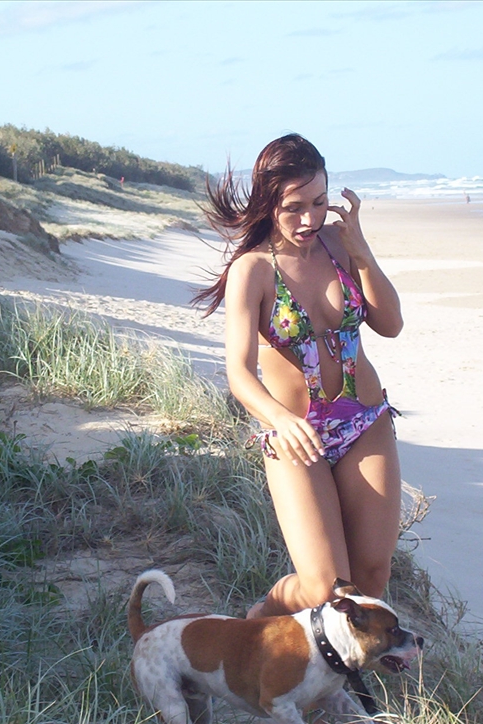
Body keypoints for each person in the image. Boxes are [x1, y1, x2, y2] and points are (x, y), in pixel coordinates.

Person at [194, 134, 403, 621]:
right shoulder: (252, 272)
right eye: (293, 207)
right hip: (294, 434)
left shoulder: (338, 244)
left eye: (319, 203)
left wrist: (362, 251)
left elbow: (390, 325)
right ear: (269, 203)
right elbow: (239, 373)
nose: (309, 219)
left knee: (371, 575)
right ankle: (259, 621)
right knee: (323, 587)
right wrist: (280, 420)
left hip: (363, 421)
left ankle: (349, 685)